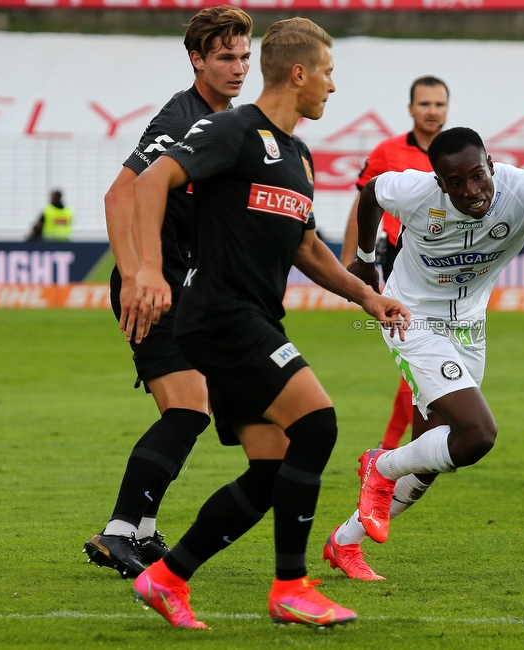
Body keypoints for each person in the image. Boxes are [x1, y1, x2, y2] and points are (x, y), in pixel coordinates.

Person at [126, 17, 410, 629]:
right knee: (319, 422)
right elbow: (150, 182)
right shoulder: (233, 130)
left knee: (272, 470)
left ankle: (167, 578)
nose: (333, 87)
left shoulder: (301, 158)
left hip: (252, 318)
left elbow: (306, 249)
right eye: (328, 73)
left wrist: (367, 295)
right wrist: (148, 270)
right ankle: (291, 587)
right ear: (300, 73)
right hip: (219, 314)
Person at [322, 127, 524, 582]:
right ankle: (380, 465)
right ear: (439, 182)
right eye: (456, 183)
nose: (471, 191)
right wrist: (362, 257)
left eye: (478, 176)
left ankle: (344, 542)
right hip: (410, 317)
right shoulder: (416, 192)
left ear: (491, 165)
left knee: (430, 458)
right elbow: (372, 191)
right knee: (476, 434)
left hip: (470, 328)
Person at [82, 6, 254, 581]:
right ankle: (118, 531)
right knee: (188, 409)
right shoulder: (181, 117)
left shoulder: (220, 117)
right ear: (197, 59)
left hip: (178, 283)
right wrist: (135, 276)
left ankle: (145, 531)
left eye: (244, 56)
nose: (238, 67)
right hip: (153, 284)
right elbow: (118, 197)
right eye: (225, 57)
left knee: (187, 408)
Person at [338, 76, 449, 455]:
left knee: (419, 361)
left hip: (449, 270)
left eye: (439, 104)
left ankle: (387, 449)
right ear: (411, 109)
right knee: (416, 353)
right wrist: (348, 262)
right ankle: (408, 452)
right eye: (425, 104)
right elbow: (361, 206)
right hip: (402, 264)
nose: (432, 111)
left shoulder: (459, 152)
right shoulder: (387, 151)